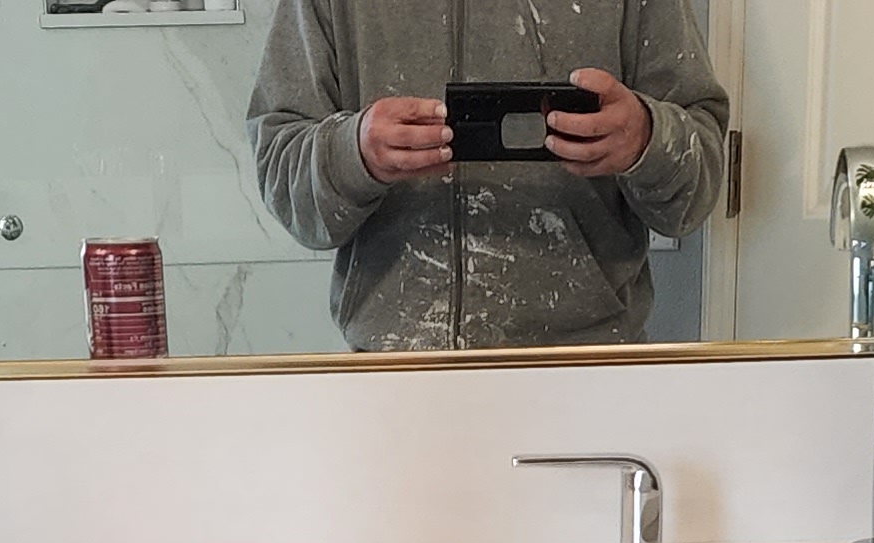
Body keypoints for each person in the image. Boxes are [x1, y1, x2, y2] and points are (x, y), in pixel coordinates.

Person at [250, 0, 729, 353]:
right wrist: (353, 153)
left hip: (587, 370)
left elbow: (698, 183)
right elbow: (283, 177)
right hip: (396, 377)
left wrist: (647, 138)